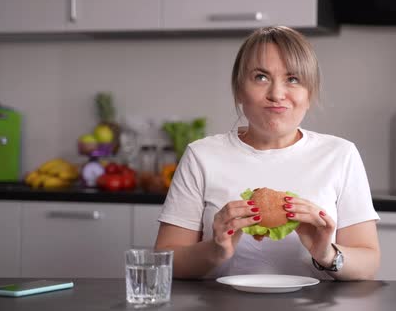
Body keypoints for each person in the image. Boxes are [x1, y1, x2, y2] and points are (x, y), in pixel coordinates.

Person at [155, 26, 380, 281]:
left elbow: (369, 263)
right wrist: (215, 250)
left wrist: (326, 253)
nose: (276, 94)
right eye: (261, 77)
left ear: (309, 94)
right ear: (239, 89)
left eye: (293, 79)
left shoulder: (340, 155)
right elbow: (165, 260)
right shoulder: (201, 156)